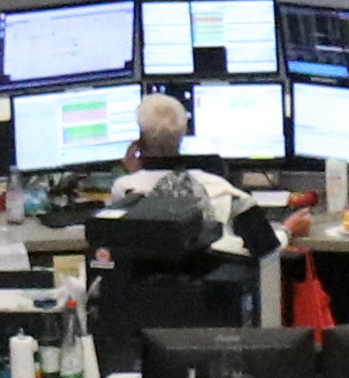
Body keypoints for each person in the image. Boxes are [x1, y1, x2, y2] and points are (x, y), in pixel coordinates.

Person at [109, 92, 295, 257]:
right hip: (214, 292)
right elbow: (268, 248)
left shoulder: (125, 190)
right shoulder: (224, 191)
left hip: (145, 293)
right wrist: (287, 230)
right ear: (184, 134)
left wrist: (136, 173)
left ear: (139, 140)